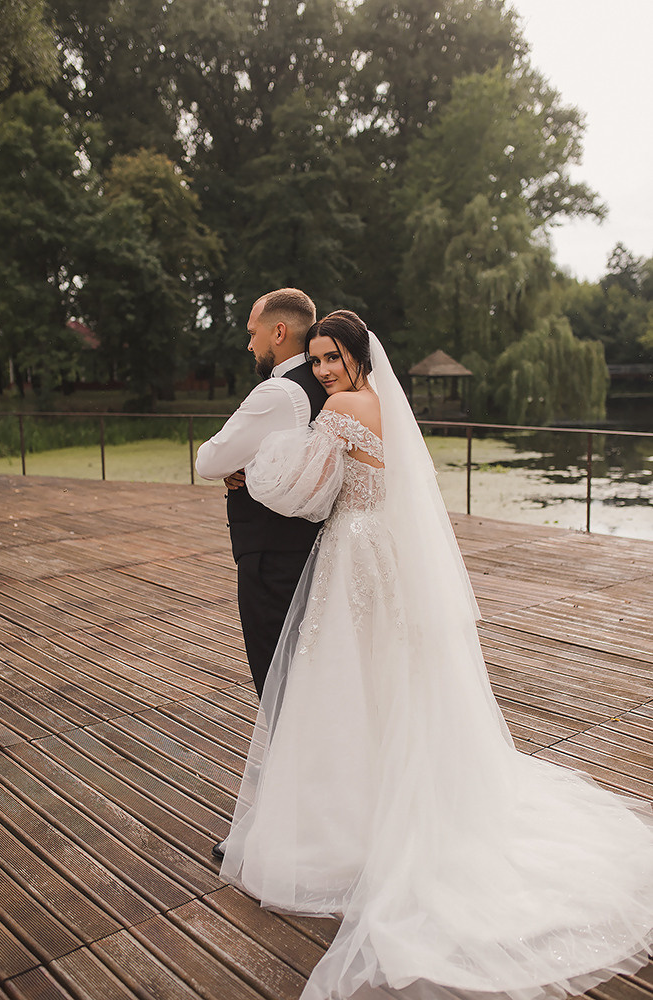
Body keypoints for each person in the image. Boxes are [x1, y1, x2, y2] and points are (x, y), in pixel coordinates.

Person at [220, 310, 653, 1000]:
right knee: (389, 679)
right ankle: (382, 800)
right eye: (319, 359)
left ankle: (350, 829)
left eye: (333, 357)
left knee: (344, 684)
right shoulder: (385, 404)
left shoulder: (339, 408)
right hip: (381, 554)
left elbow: (299, 491)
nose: (325, 370)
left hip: (353, 553)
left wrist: (252, 463)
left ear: (357, 356)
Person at [195, 288, 326, 858]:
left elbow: (209, 459)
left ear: (279, 333)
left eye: (252, 331)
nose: (248, 341)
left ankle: (293, 832)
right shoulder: (330, 385)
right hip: (317, 551)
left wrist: (244, 466)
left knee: (279, 689)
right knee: (312, 684)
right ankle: (307, 815)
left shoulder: (277, 393)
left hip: (272, 558)